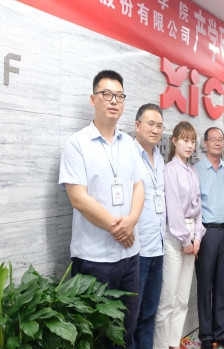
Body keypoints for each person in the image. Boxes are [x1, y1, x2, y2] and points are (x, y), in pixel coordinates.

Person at [59, 70, 146, 348]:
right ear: (93, 99)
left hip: (129, 255)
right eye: (107, 94)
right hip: (94, 257)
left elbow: (139, 186)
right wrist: (118, 228)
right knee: (96, 335)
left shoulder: (130, 144)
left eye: (119, 96)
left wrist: (132, 220)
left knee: (126, 329)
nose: (114, 101)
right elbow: (78, 198)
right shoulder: (77, 144)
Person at [154, 122, 206, 349]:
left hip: (192, 235)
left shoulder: (193, 171)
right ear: (174, 141)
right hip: (175, 237)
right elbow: (174, 209)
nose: (189, 145)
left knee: (183, 298)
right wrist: (186, 240)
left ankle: (174, 343)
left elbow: (199, 209)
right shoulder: (170, 169)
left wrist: (198, 238)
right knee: (168, 298)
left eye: (192, 141)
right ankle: (160, 345)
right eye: (185, 140)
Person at [194, 127, 224, 349]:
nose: (218, 143)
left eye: (221, 139)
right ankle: (206, 336)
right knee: (205, 286)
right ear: (205, 143)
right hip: (206, 233)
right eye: (213, 139)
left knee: (222, 286)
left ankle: (220, 331)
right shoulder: (196, 170)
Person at [133, 104, 167, 349]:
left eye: (159, 126)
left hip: (158, 246)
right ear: (137, 125)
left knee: (149, 312)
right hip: (137, 248)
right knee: (132, 314)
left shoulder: (160, 158)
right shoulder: (128, 155)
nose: (155, 130)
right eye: (150, 124)